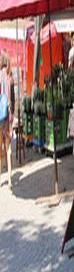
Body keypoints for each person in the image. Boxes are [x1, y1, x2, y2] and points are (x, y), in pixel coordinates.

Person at [0, 51, 14, 189]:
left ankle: (1, 176)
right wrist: (13, 114)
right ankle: (10, 179)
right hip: (8, 115)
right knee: (9, 147)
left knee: (0, 146)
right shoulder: (10, 77)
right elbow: (14, 99)